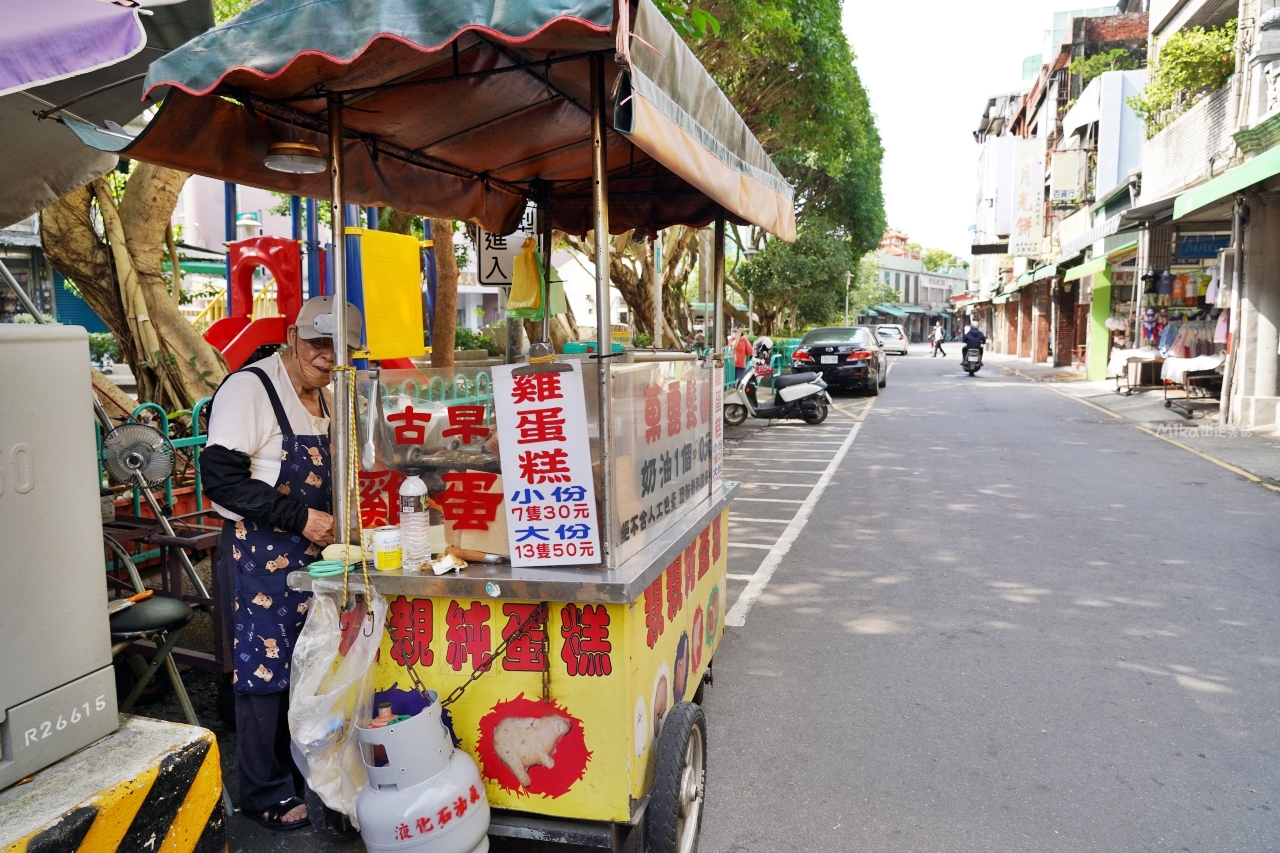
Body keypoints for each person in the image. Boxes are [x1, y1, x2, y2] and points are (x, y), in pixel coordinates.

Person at [201, 295, 361, 831]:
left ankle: (295, 776)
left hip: (314, 555)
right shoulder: (252, 389)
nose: (327, 355)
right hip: (260, 555)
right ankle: (260, 791)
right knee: (262, 673)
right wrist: (302, 519)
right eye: (318, 341)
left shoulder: (331, 394)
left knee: (307, 668)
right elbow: (222, 481)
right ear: (293, 336)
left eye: (340, 348)